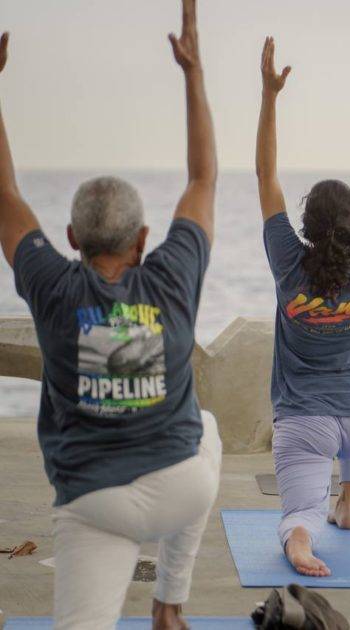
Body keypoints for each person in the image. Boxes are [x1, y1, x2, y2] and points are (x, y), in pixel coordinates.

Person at [0, 2, 220, 628]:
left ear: (70, 236)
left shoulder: (49, 284)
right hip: (182, 487)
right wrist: (193, 74)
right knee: (209, 430)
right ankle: (170, 602)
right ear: (144, 238)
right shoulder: (175, 272)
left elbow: (4, 194)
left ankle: (166, 601)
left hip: (93, 502)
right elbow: (203, 177)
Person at [256, 37, 350, 577]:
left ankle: (302, 541)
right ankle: (349, 501)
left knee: (300, 507)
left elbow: (265, 178)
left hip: (306, 422)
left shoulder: (287, 264)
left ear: (305, 224)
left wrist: (270, 96)